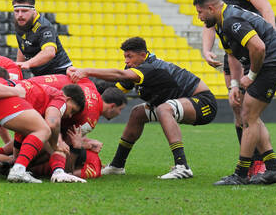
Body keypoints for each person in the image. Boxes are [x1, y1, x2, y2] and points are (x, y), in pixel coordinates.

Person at [68, 36, 218, 179]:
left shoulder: (150, 67)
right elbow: (113, 90)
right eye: (125, 57)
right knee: (137, 113)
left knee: (164, 109)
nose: (127, 61)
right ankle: (117, 165)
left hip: (203, 103)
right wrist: (83, 92)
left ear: (142, 55)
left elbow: (119, 74)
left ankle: (182, 166)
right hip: (179, 102)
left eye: (130, 57)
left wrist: (86, 71)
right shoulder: (135, 68)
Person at [194, 0, 276, 185]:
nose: (200, 18)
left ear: (211, 8)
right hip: (264, 64)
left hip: (272, 63)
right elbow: (232, 55)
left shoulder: (231, 20)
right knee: (250, 115)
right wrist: (235, 85)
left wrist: (251, 75)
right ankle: (273, 170)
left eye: (200, 12)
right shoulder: (222, 23)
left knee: (248, 116)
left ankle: (240, 174)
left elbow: (259, 47)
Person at [201, 0, 276, 175]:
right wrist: (206, 49)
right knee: (237, 108)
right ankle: (253, 162)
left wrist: (269, 41)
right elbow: (209, 24)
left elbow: (265, 10)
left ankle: (260, 164)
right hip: (232, 55)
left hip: (251, 51)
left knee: (248, 111)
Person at [28, 74, 128, 135]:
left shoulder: (89, 84)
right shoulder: (90, 121)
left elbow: (73, 72)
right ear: (112, 106)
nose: (119, 113)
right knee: (50, 140)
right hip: (32, 101)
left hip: (26, 84)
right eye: (120, 109)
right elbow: (68, 141)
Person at [12, 0, 72, 76]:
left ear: (33, 11)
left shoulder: (44, 27)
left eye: (24, 11)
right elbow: (22, 45)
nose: (20, 15)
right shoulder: (21, 22)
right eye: (17, 11)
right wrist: (17, 70)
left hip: (60, 72)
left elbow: (49, 52)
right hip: (41, 75)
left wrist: (28, 63)